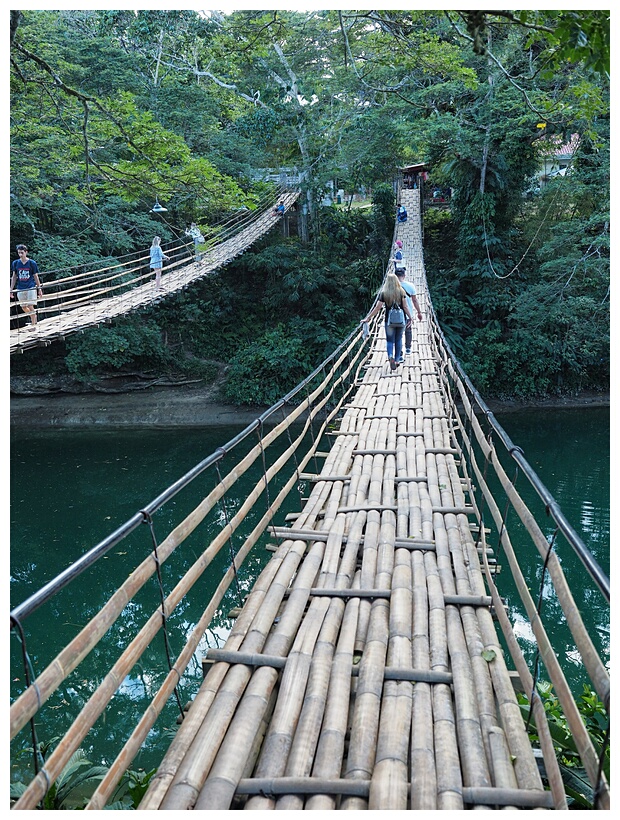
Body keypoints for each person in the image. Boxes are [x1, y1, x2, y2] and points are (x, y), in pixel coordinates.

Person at [361, 272, 412, 371]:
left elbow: (377, 308)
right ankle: (397, 360)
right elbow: (405, 306)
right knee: (398, 339)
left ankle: (390, 356)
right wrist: (410, 317)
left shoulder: (384, 293)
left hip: (389, 321)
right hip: (401, 321)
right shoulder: (401, 291)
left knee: (389, 340)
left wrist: (368, 318)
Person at [10, 244, 43, 328]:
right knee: (23, 306)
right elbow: (14, 276)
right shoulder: (15, 263)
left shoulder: (32, 263)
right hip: (20, 287)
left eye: (22, 253)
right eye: (19, 253)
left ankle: (33, 324)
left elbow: (36, 276)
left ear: (26, 252)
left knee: (30, 305)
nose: (20, 255)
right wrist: (11, 289)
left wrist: (39, 288)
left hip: (30, 286)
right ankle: (33, 317)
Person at [395, 267, 423, 361]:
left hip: (395, 315)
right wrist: (419, 312)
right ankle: (408, 348)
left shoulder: (390, 286)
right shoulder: (410, 286)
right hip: (407, 313)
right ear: (404, 275)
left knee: (397, 335)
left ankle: (400, 355)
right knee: (408, 330)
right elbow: (414, 300)